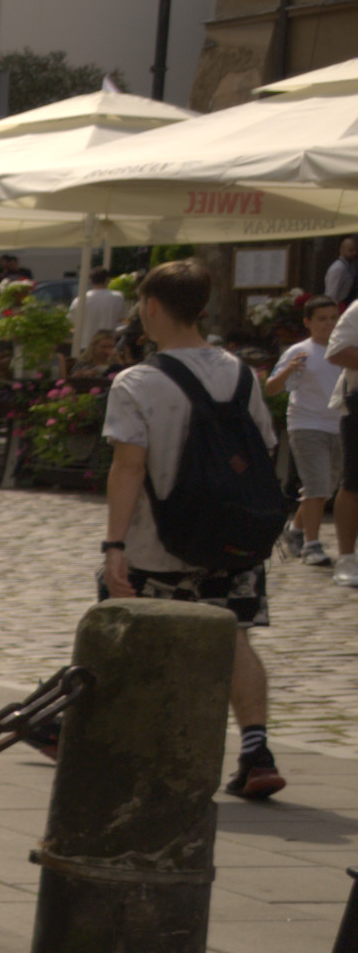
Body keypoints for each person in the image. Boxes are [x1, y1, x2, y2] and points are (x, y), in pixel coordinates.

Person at [102, 260, 290, 799]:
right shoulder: (239, 372)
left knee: (124, 633)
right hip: (233, 537)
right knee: (232, 634)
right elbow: (264, 448)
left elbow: (129, 467)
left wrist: (114, 544)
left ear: (153, 307)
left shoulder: (137, 381)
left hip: (157, 541)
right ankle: (256, 748)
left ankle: (122, 743)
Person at [267, 294, 352, 581]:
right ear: (308, 322)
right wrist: (289, 370)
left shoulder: (346, 349)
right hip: (307, 424)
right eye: (321, 319)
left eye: (332, 318)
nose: (328, 324)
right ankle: (311, 545)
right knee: (316, 486)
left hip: (339, 424)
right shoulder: (299, 351)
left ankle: (296, 530)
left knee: (326, 487)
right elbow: (272, 388)